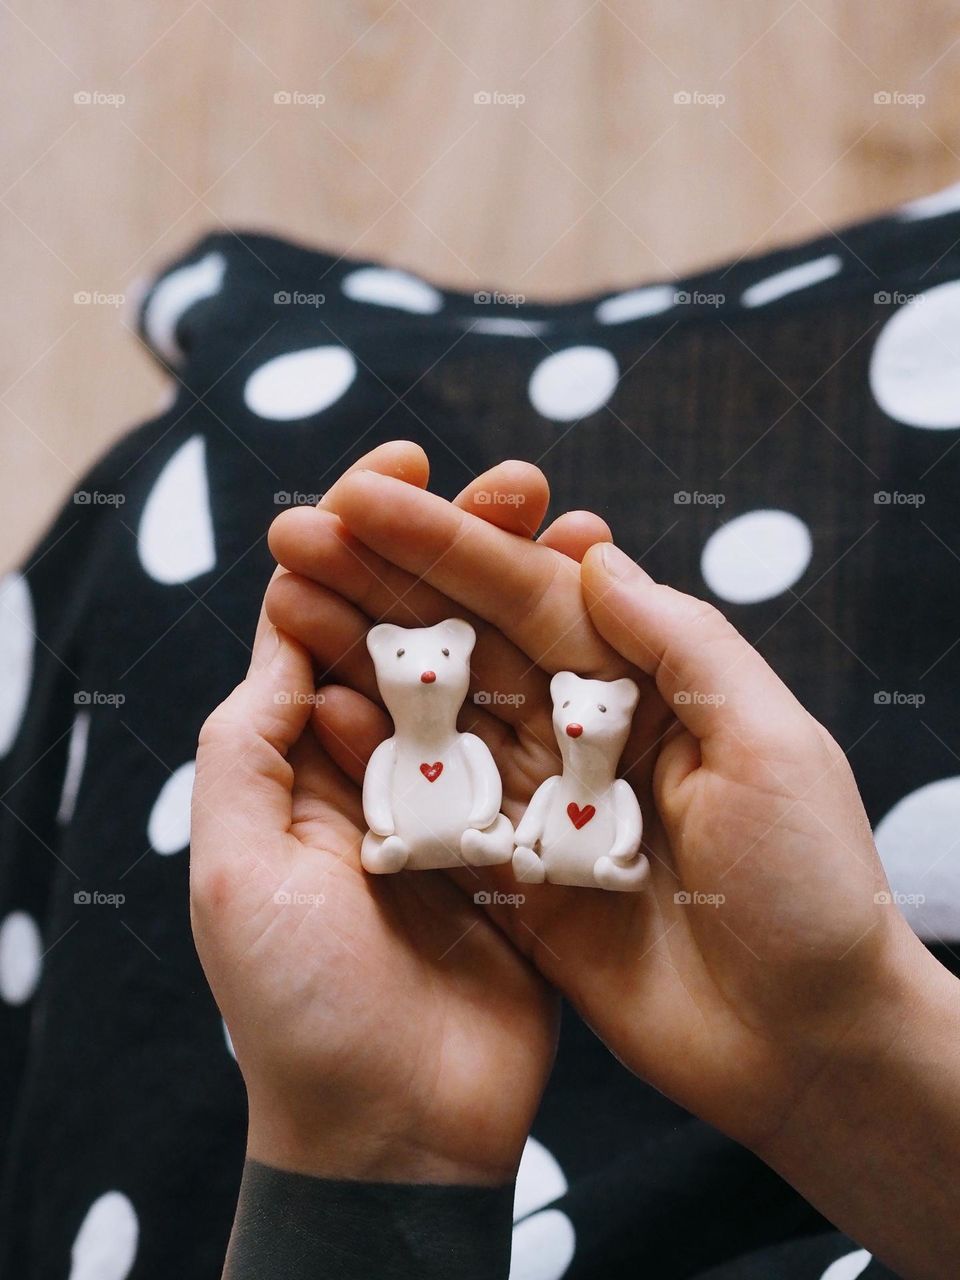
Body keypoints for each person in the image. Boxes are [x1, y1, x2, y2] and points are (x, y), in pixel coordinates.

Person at [3, 201, 960, 1278]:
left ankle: (279, 334)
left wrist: (359, 1175)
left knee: (218, 488)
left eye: (429, 660)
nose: (420, 674)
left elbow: (519, 803)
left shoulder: (488, 761)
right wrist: (863, 1039)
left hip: (600, 1071)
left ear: (451, 657)